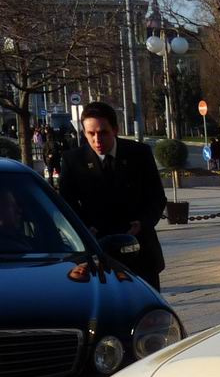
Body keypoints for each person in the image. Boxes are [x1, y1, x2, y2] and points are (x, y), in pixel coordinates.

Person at [56, 100, 167, 289]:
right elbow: (67, 204)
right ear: (84, 132)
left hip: (139, 250)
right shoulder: (73, 160)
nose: (97, 140)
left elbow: (156, 197)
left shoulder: (139, 154)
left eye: (103, 133)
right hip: (96, 251)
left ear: (115, 129)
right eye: (91, 134)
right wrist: (84, 228)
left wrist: (143, 222)